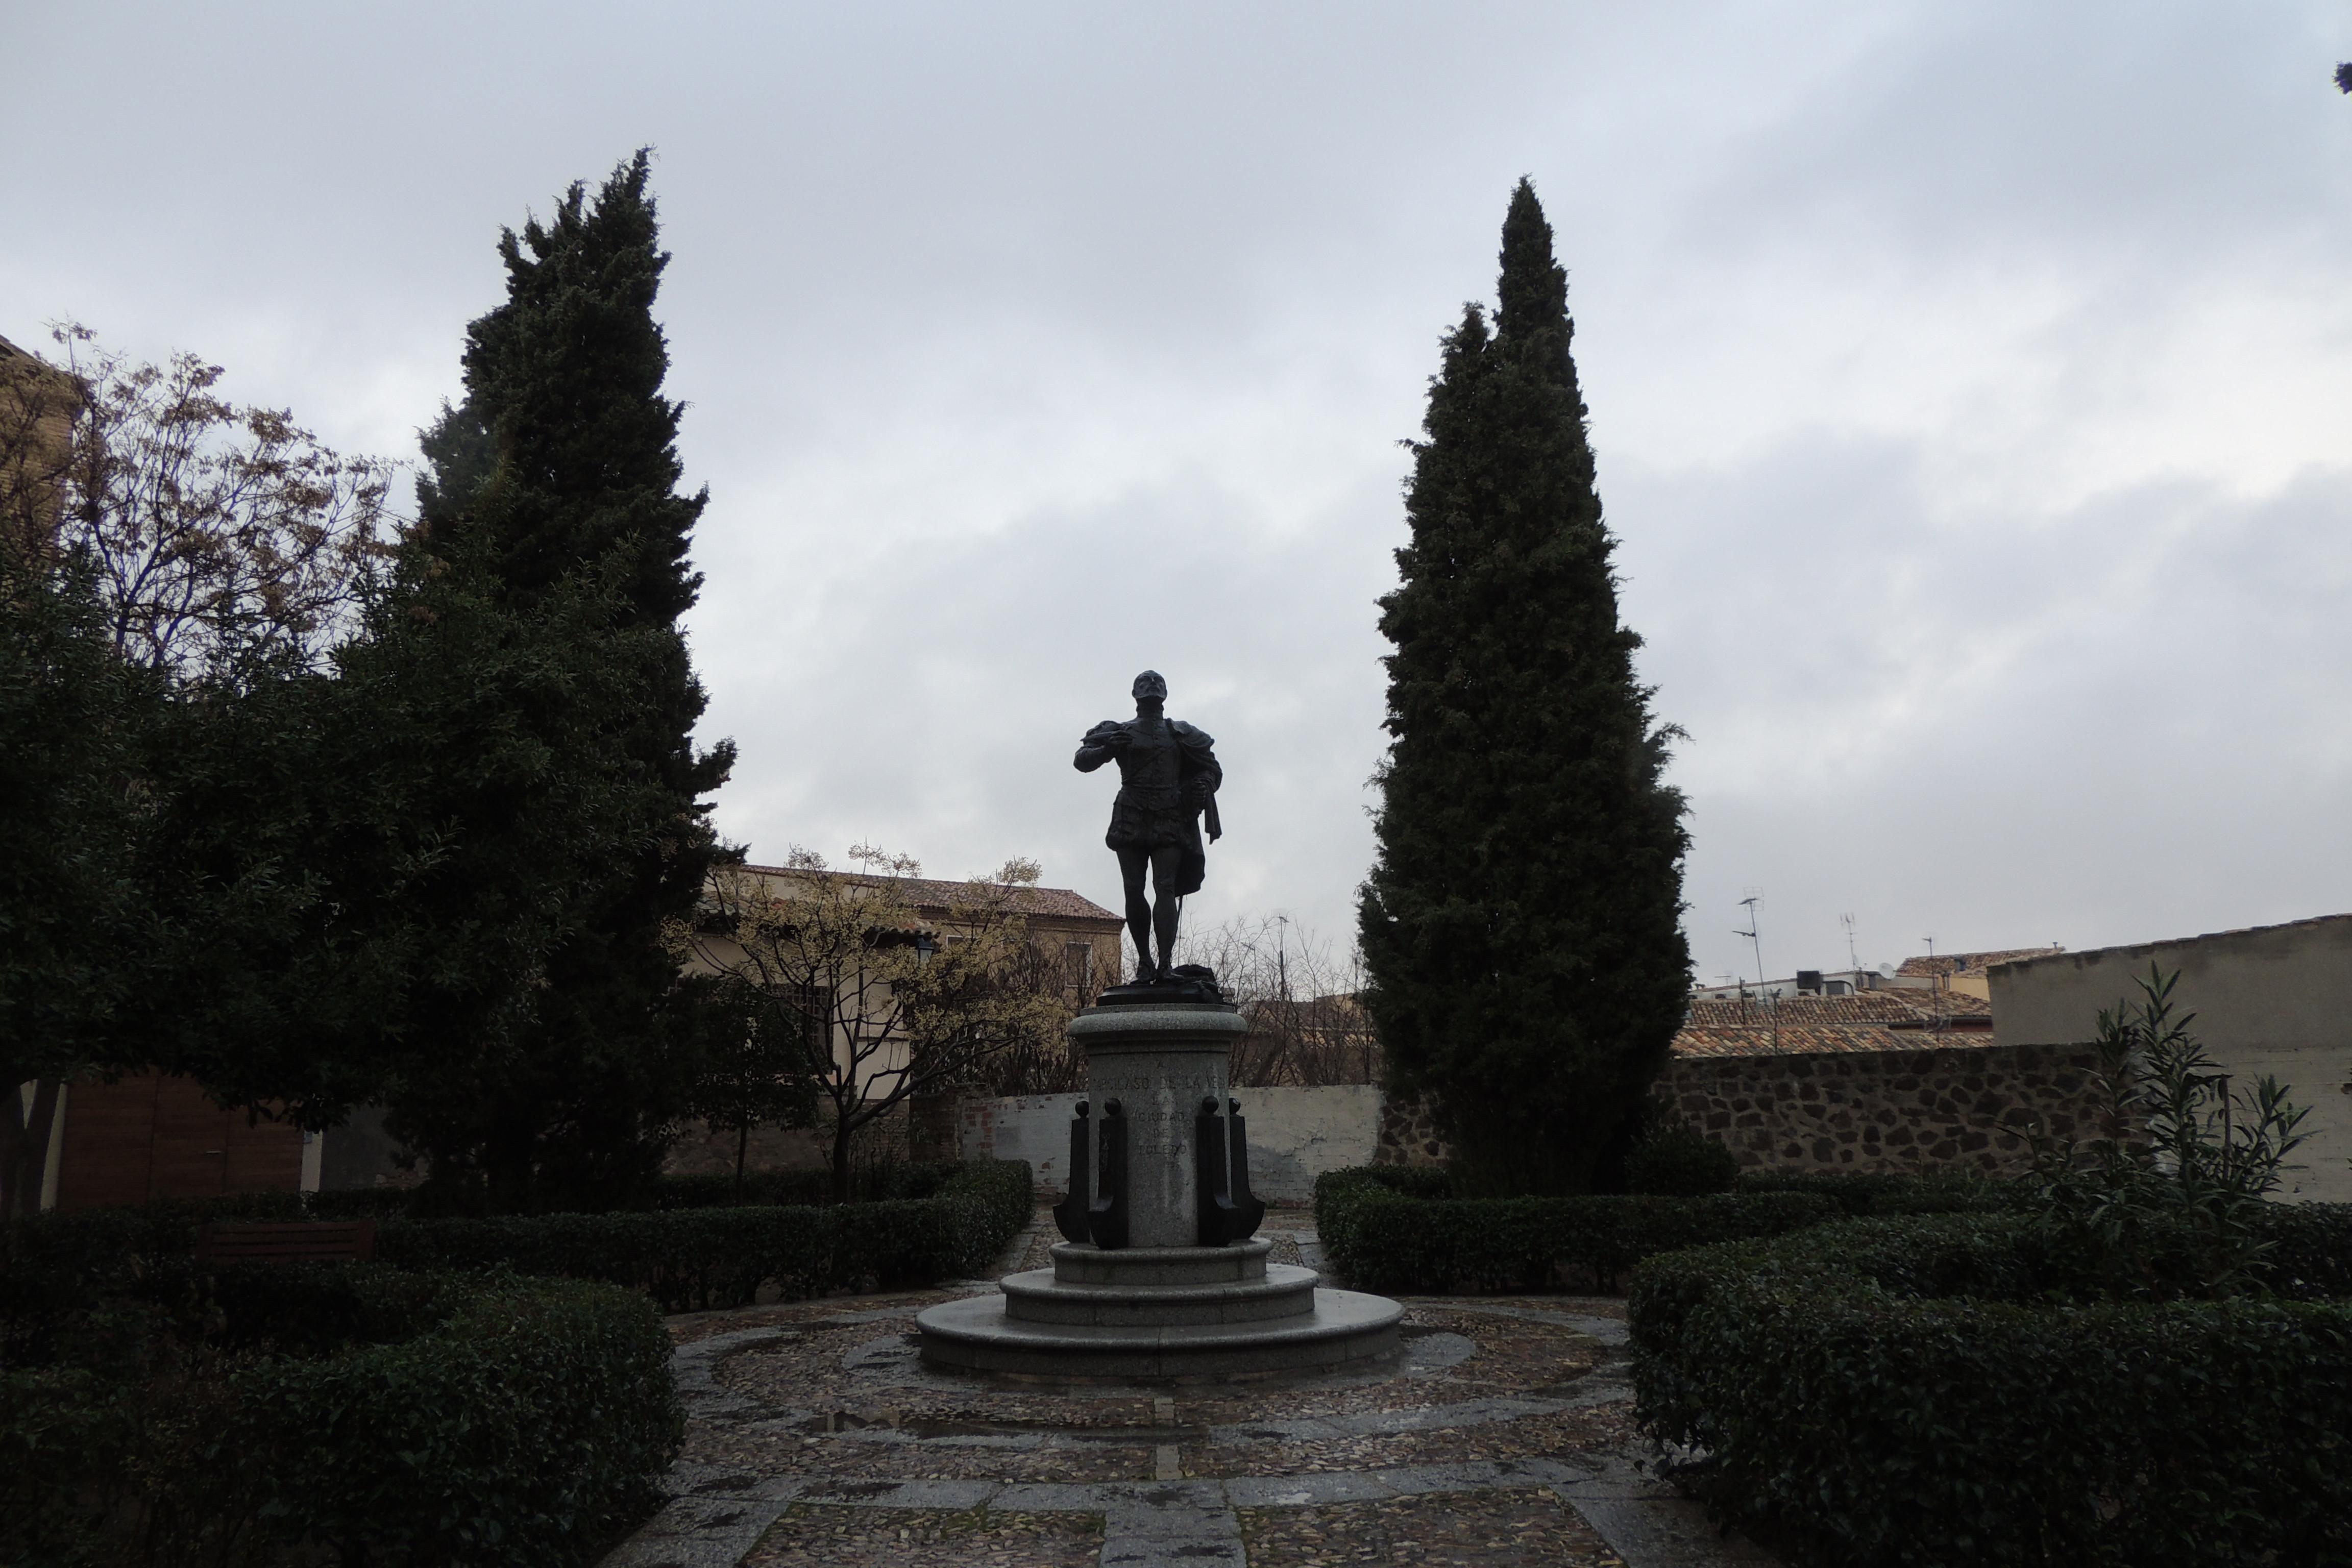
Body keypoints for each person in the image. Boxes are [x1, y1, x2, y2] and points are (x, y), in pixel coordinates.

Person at [1074, 670, 1221, 985]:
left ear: (1166, 693)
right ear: (1135, 693)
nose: (1152, 685)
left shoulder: (1182, 734)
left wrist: (1202, 786)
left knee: (1164, 887)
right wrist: (1106, 749)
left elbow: (1212, 770)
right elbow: (1082, 760)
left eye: (1158, 682)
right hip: (1131, 813)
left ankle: (1165, 964)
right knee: (1133, 888)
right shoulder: (1118, 731)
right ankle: (1144, 963)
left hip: (1170, 814)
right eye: (1145, 682)